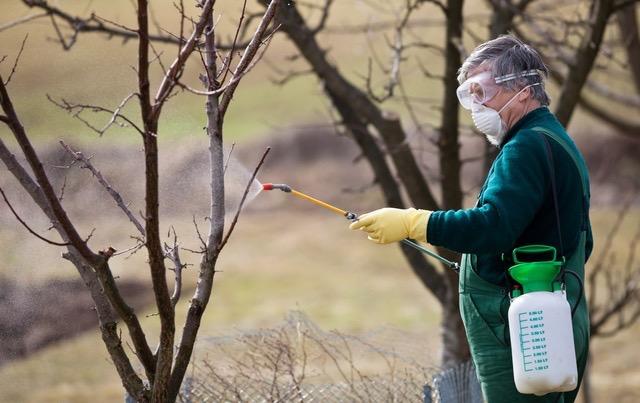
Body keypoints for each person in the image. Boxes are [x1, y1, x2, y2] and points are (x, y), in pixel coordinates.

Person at [349, 35, 592, 403]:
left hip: (523, 331)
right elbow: (577, 241)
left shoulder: (525, 148)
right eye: (469, 94)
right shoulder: (553, 139)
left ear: (524, 90)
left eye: (483, 91)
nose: (476, 105)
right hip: (550, 321)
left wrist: (416, 223)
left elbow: (492, 226)